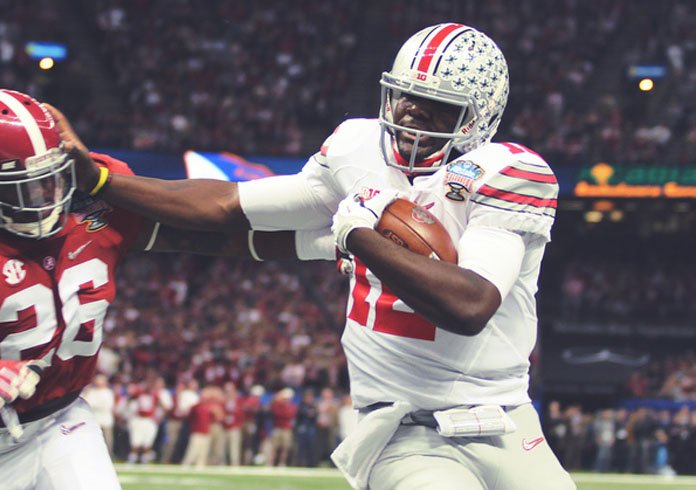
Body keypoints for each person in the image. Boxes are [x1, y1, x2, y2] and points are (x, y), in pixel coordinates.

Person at [51, 22, 575, 490]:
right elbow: (229, 204)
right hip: (401, 424)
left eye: (437, 105)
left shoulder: (507, 174)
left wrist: (359, 237)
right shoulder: (357, 149)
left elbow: (471, 306)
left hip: (504, 416)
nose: (413, 113)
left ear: (477, 119)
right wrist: (102, 181)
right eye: (405, 96)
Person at [0, 89, 269, 490]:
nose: (48, 194)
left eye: (54, 175)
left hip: (62, 421)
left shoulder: (94, 194)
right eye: (25, 187)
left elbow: (214, 227)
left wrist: (312, 239)